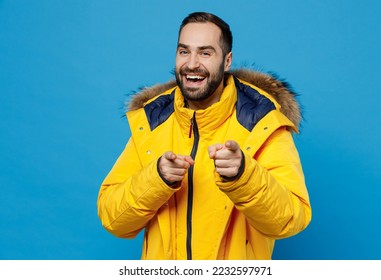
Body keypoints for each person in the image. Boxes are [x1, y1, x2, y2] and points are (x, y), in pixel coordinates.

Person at [97, 12, 311, 260]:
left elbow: (292, 220)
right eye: (184, 51)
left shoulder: (263, 123)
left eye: (205, 53)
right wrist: (156, 179)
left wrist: (244, 175)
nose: (191, 64)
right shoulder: (151, 123)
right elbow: (113, 220)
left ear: (227, 61)